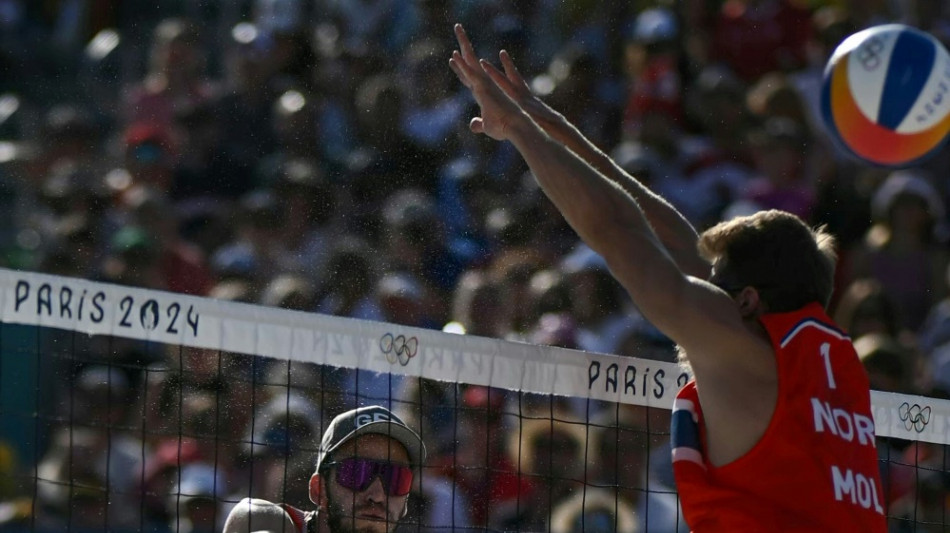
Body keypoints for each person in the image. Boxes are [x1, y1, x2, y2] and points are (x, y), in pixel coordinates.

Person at [449, 23, 885, 532]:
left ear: (745, 301)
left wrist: (520, 132)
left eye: (715, 284)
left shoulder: (744, 349)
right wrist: (550, 123)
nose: (702, 283)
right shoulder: (828, 355)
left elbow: (616, 229)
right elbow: (677, 239)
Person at [222, 405, 426, 533]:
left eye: (396, 478)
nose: (377, 495)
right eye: (357, 472)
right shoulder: (268, 521)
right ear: (318, 489)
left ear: (406, 504)